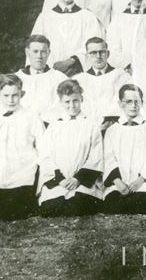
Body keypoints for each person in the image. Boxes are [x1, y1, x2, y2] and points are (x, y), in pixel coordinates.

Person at [0, 74, 44, 220]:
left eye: (15, 95)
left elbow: (43, 145)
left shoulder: (31, 116)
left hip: (21, 172)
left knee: (15, 211)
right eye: (6, 95)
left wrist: (39, 167)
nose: (11, 100)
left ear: (22, 94)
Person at [37, 79, 103, 217]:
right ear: (61, 102)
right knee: (51, 208)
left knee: (78, 206)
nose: (72, 105)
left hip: (82, 182)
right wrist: (60, 179)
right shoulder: (54, 126)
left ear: (81, 99)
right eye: (67, 102)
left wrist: (77, 179)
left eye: (75, 100)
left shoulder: (91, 125)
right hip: (59, 182)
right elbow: (45, 156)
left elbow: (95, 157)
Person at [103, 84, 146, 214]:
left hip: (143, 183)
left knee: (142, 203)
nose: (133, 105)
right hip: (119, 183)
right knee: (114, 204)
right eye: (129, 101)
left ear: (142, 103)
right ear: (120, 103)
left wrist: (140, 181)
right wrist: (118, 182)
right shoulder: (112, 130)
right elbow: (108, 158)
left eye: (137, 101)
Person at [32, 0, 104, 76]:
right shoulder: (45, 17)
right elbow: (36, 45)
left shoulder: (88, 16)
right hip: (51, 70)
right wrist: (53, 68)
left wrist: (71, 61)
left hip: (78, 71)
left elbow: (94, 45)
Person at [73, 37, 132, 129]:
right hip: (88, 127)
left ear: (108, 54)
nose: (98, 56)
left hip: (116, 126)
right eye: (93, 53)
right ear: (87, 56)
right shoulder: (80, 79)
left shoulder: (122, 76)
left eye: (102, 52)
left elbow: (125, 103)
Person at [6, 35, 68, 122]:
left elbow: (66, 106)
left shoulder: (60, 78)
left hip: (50, 127)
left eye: (43, 52)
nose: (39, 56)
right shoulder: (15, 78)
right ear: (27, 52)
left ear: (48, 53)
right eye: (35, 51)